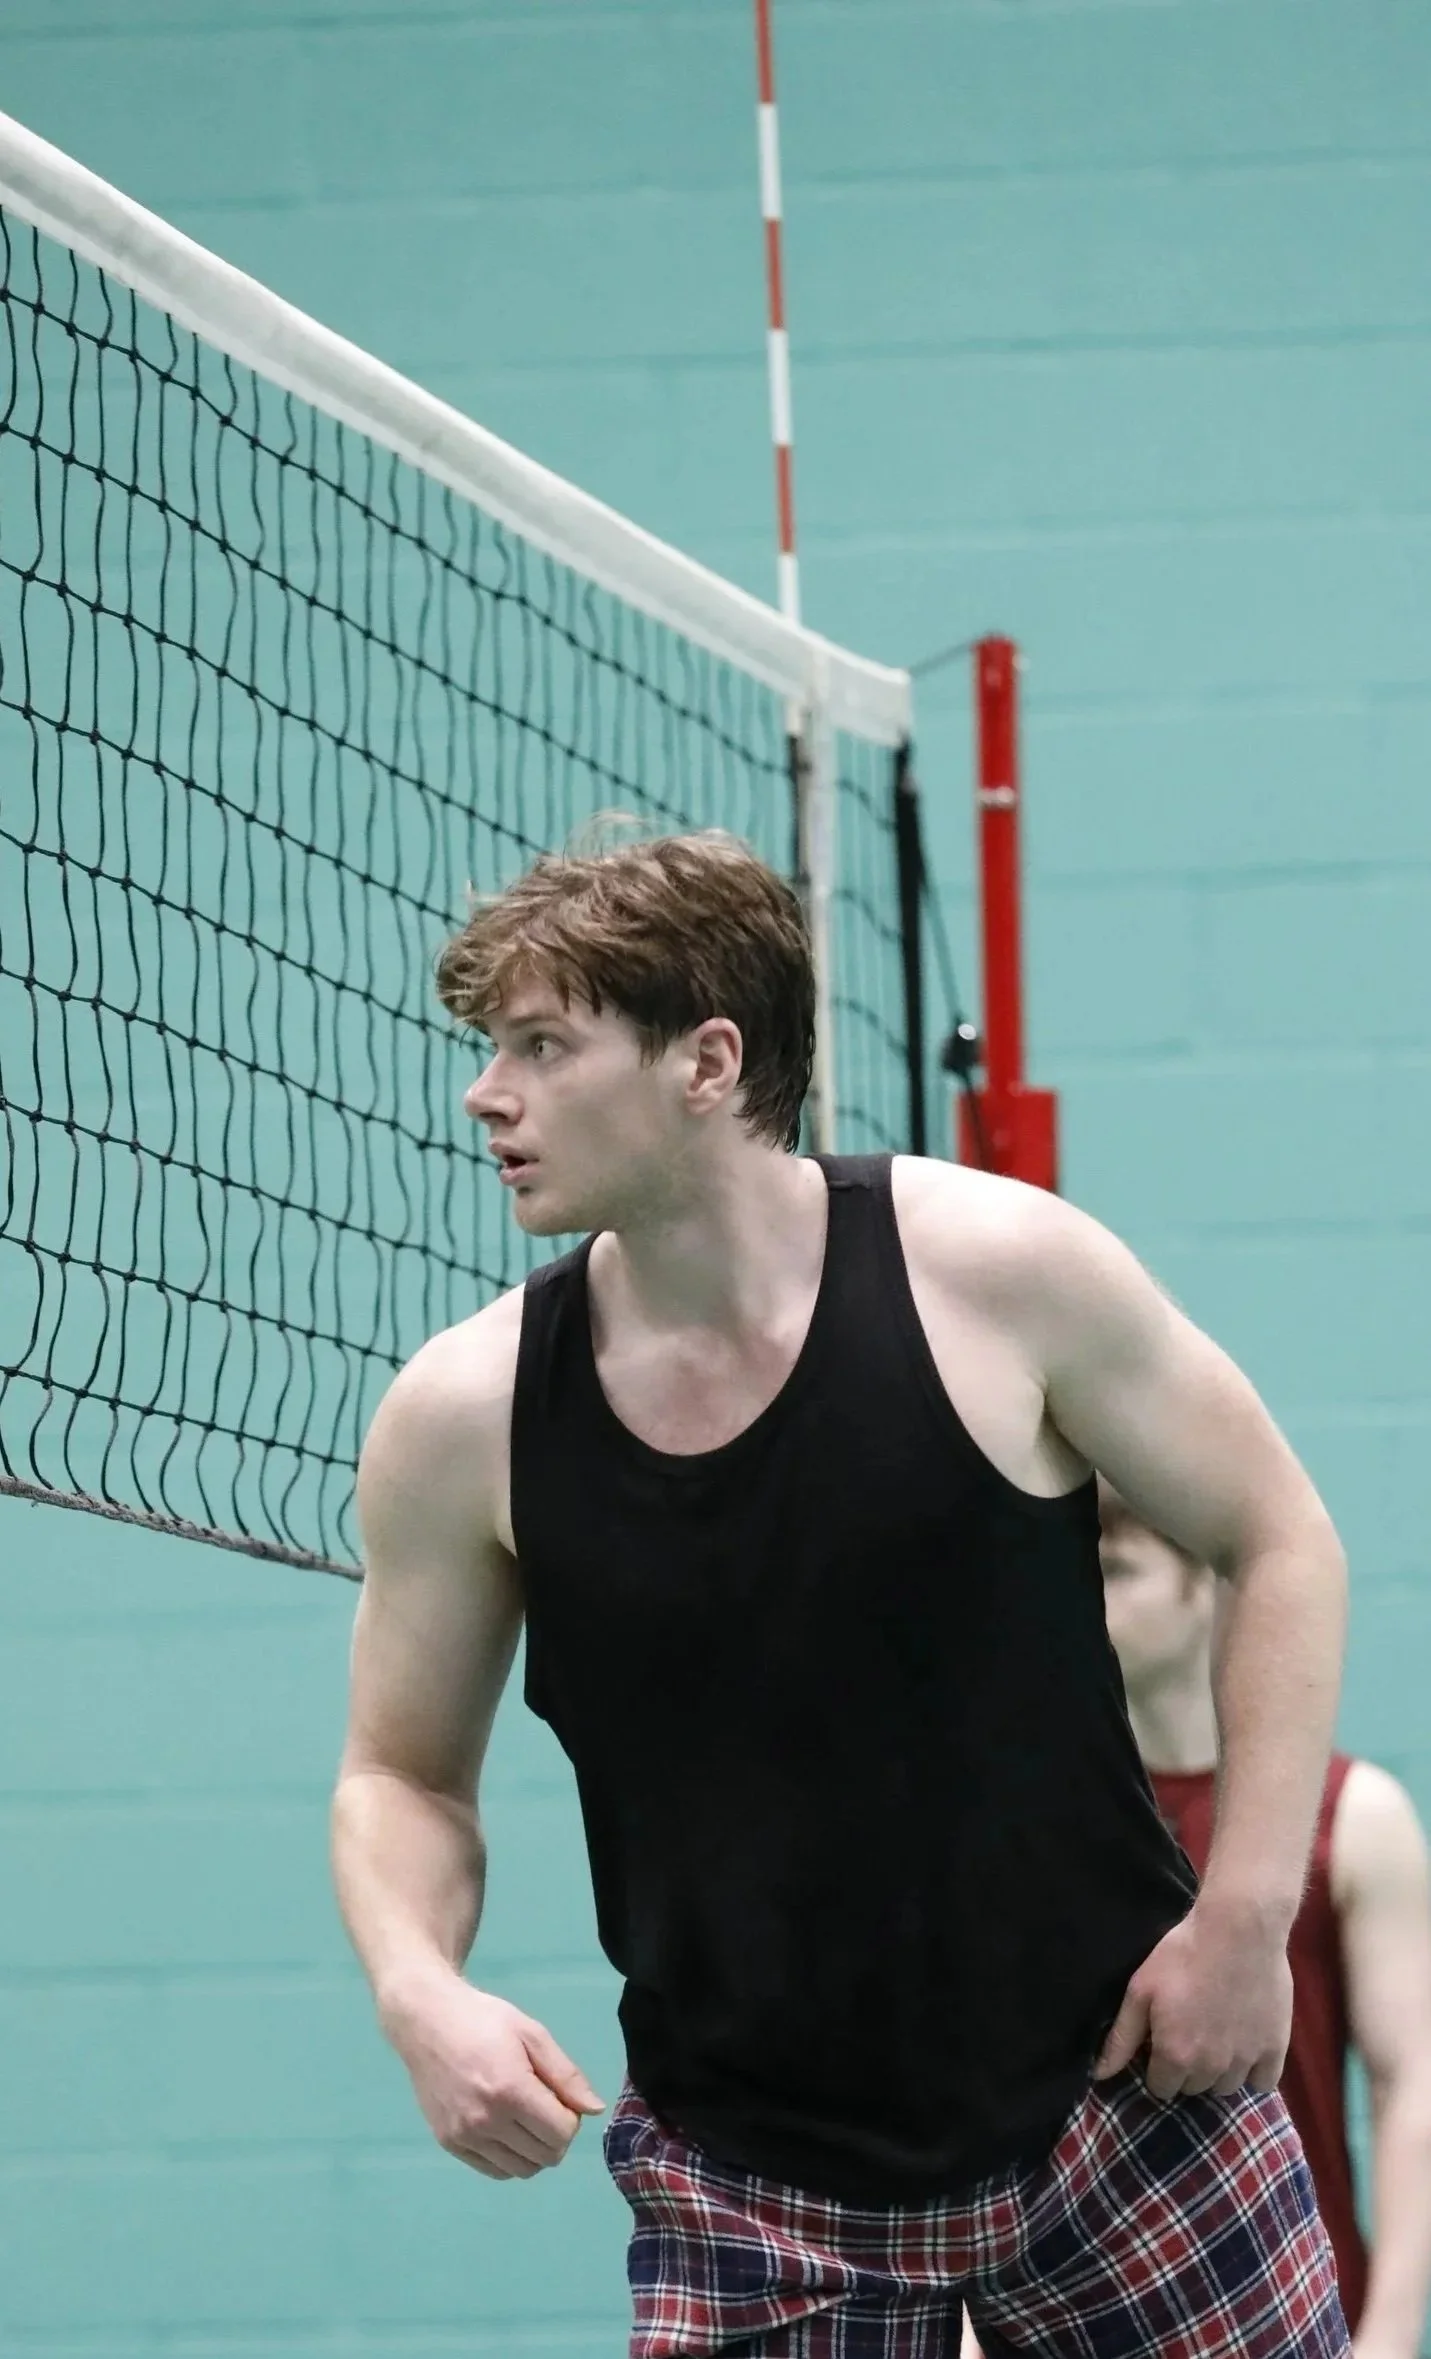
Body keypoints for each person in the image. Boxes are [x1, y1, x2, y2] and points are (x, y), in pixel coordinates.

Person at [332, 828, 1352, 2357]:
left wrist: (1244, 1914)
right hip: (753, 2175)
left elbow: (1279, 1535)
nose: (488, 1091)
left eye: (541, 1044)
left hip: (1124, 2092)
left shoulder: (996, 1269)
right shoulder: (458, 1416)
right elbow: (399, 1771)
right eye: (492, 1048)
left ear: (705, 1059)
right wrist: (419, 1987)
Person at [1099, 1480, 1431, 2359]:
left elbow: (1411, 2083)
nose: (1084, 1602)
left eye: (1115, 1571)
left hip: (1294, 2314)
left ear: (1203, 1581)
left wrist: (1391, 2332)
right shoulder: (1048, 1823)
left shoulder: (1354, 1815)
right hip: (1080, 2317)